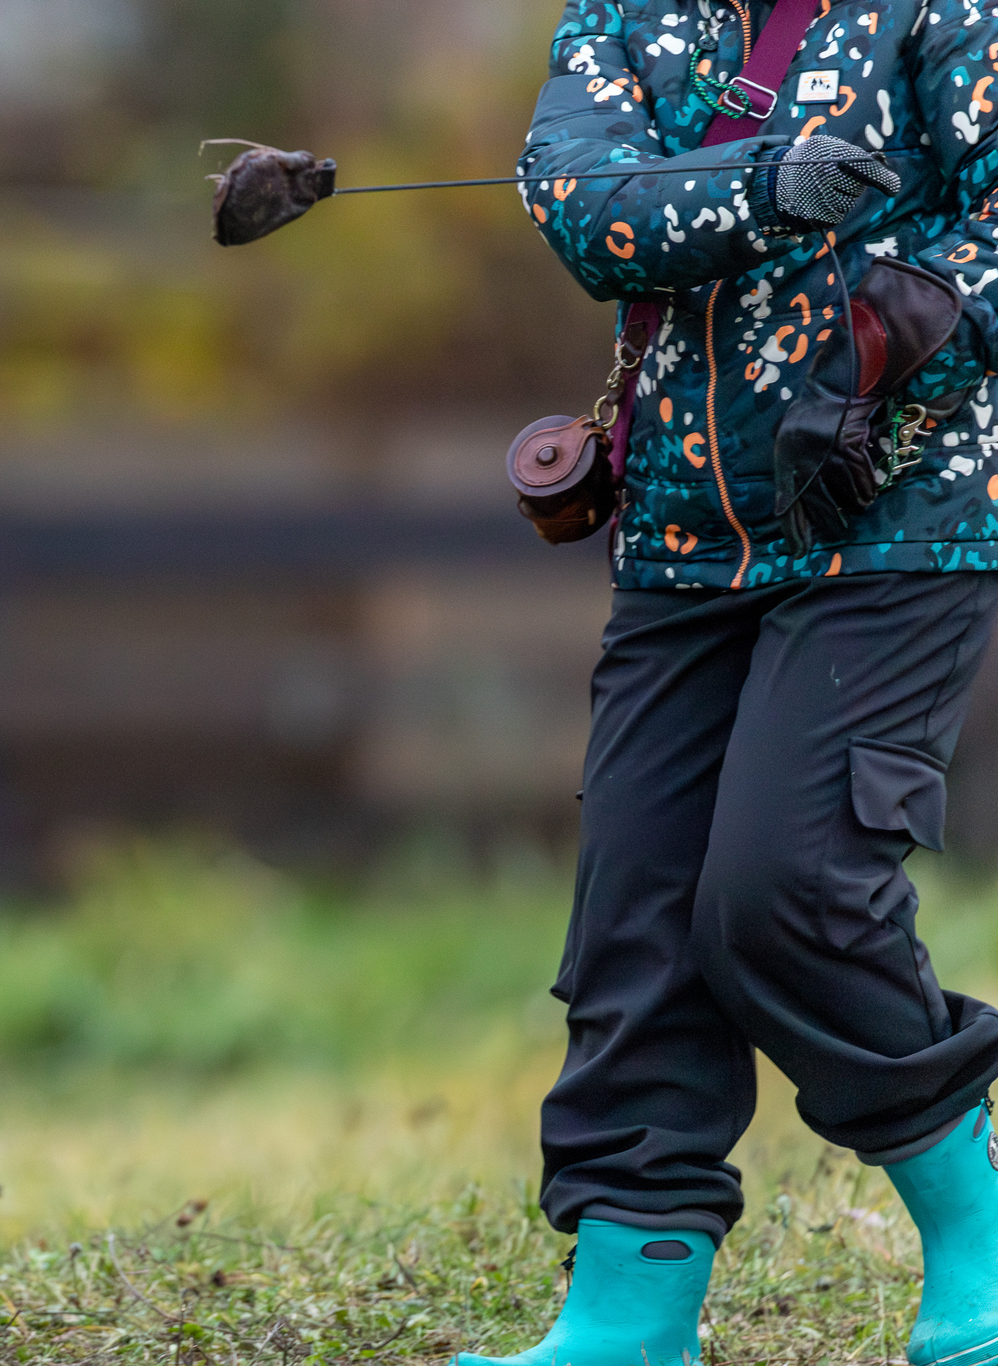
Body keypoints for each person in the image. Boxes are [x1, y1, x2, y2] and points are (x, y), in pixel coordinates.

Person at [463, 2, 998, 1364]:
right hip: (678, 526)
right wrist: (771, 185)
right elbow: (584, 208)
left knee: (785, 886)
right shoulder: (621, 18)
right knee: (634, 921)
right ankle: (628, 1313)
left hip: (904, 515)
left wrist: (899, 336)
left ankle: (981, 1231)